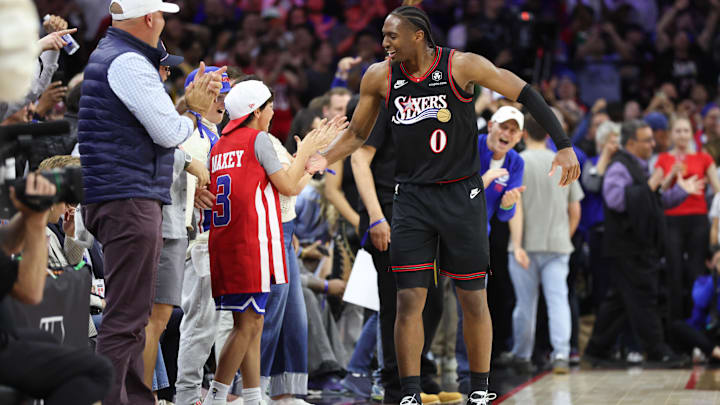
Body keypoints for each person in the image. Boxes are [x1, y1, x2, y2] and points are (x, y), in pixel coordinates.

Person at [310, 6, 580, 405]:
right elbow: (357, 134)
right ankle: (409, 393)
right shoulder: (380, 76)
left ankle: (481, 388)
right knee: (408, 300)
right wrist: (322, 159)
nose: (384, 43)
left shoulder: (461, 66)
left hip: (461, 194)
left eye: (391, 36)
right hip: (413, 197)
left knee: (473, 297)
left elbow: (522, 90)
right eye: (383, 36)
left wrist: (564, 143)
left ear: (418, 35)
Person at [77, 0, 225, 402]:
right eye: (162, 15)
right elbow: (168, 132)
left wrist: (184, 110)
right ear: (149, 18)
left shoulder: (114, 56)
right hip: (128, 197)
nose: (164, 23)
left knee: (132, 316)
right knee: (126, 317)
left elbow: (153, 124)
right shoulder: (128, 62)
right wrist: (192, 111)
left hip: (121, 194)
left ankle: (133, 398)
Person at [203, 80, 344, 405]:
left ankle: (253, 397)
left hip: (226, 241)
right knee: (248, 325)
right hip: (252, 241)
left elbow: (285, 183)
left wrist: (308, 161)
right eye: (268, 107)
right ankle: (217, 396)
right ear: (255, 111)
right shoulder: (259, 139)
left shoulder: (221, 144)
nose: (272, 113)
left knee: (251, 323)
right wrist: (308, 150)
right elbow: (289, 187)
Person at [583, 119, 702, 368]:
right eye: (646, 139)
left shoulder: (641, 165)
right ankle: (657, 351)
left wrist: (681, 191)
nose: (652, 143)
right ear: (631, 143)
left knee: (619, 301)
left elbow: (654, 203)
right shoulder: (619, 167)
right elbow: (615, 200)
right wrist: (650, 185)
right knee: (643, 298)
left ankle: (596, 349)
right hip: (628, 246)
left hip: (638, 245)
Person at [0, 174, 113, 404]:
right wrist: (36, 217)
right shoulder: (45, 231)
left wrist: (69, 234)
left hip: (58, 309)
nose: (68, 206)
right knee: (97, 369)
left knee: (46, 340)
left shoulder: (57, 229)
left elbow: (71, 265)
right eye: (66, 199)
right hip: (59, 307)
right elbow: (35, 288)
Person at [174, 66, 233, 405]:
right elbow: (172, 171)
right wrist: (189, 185)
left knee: (218, 322)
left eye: (224, 96)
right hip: (194, 239)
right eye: (215, 95)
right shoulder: (188, 133)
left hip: (213, 237)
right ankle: (184, 395)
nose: (221, 102)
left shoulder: (213, 133)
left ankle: (213, 392)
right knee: (200, 322)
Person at [507, 115, 583, 375]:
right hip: (558, 244)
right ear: (549, 135)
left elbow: (512, 204)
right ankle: (561, 354)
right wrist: (565, 235)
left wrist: (517, 243)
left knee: (525, 304)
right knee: (558, 300)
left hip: (524, 245)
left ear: (524, 134)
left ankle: (521, 355)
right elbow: (575, 210)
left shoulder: (518, 162)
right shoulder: (563, 163)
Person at [455, 106, 525, 386]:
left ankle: (466, 375)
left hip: (476, 238)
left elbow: (504, 213)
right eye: (503, 127)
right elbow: (457, 195)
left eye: (513, 130)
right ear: (491, 126)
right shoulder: (471, 146)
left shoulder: (516, 162)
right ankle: (417, 372)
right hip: (444, 232)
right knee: (429, 305)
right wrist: (484, 181)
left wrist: (508, 206)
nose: (506, 134)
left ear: (520, 136)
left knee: (472, 307)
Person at [656, 116, 720, 321]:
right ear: (671, 134)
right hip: (672, 220)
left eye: (685, 131)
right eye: (678, 131)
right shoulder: (664, 159)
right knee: (673, 273)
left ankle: (696, 329)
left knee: (696, 273)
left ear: (692, 134)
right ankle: (675, 330)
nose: (682, 135)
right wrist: (671, 176)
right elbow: (656, 191)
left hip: (698, 220)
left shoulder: (704, 158)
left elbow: (717, 190)